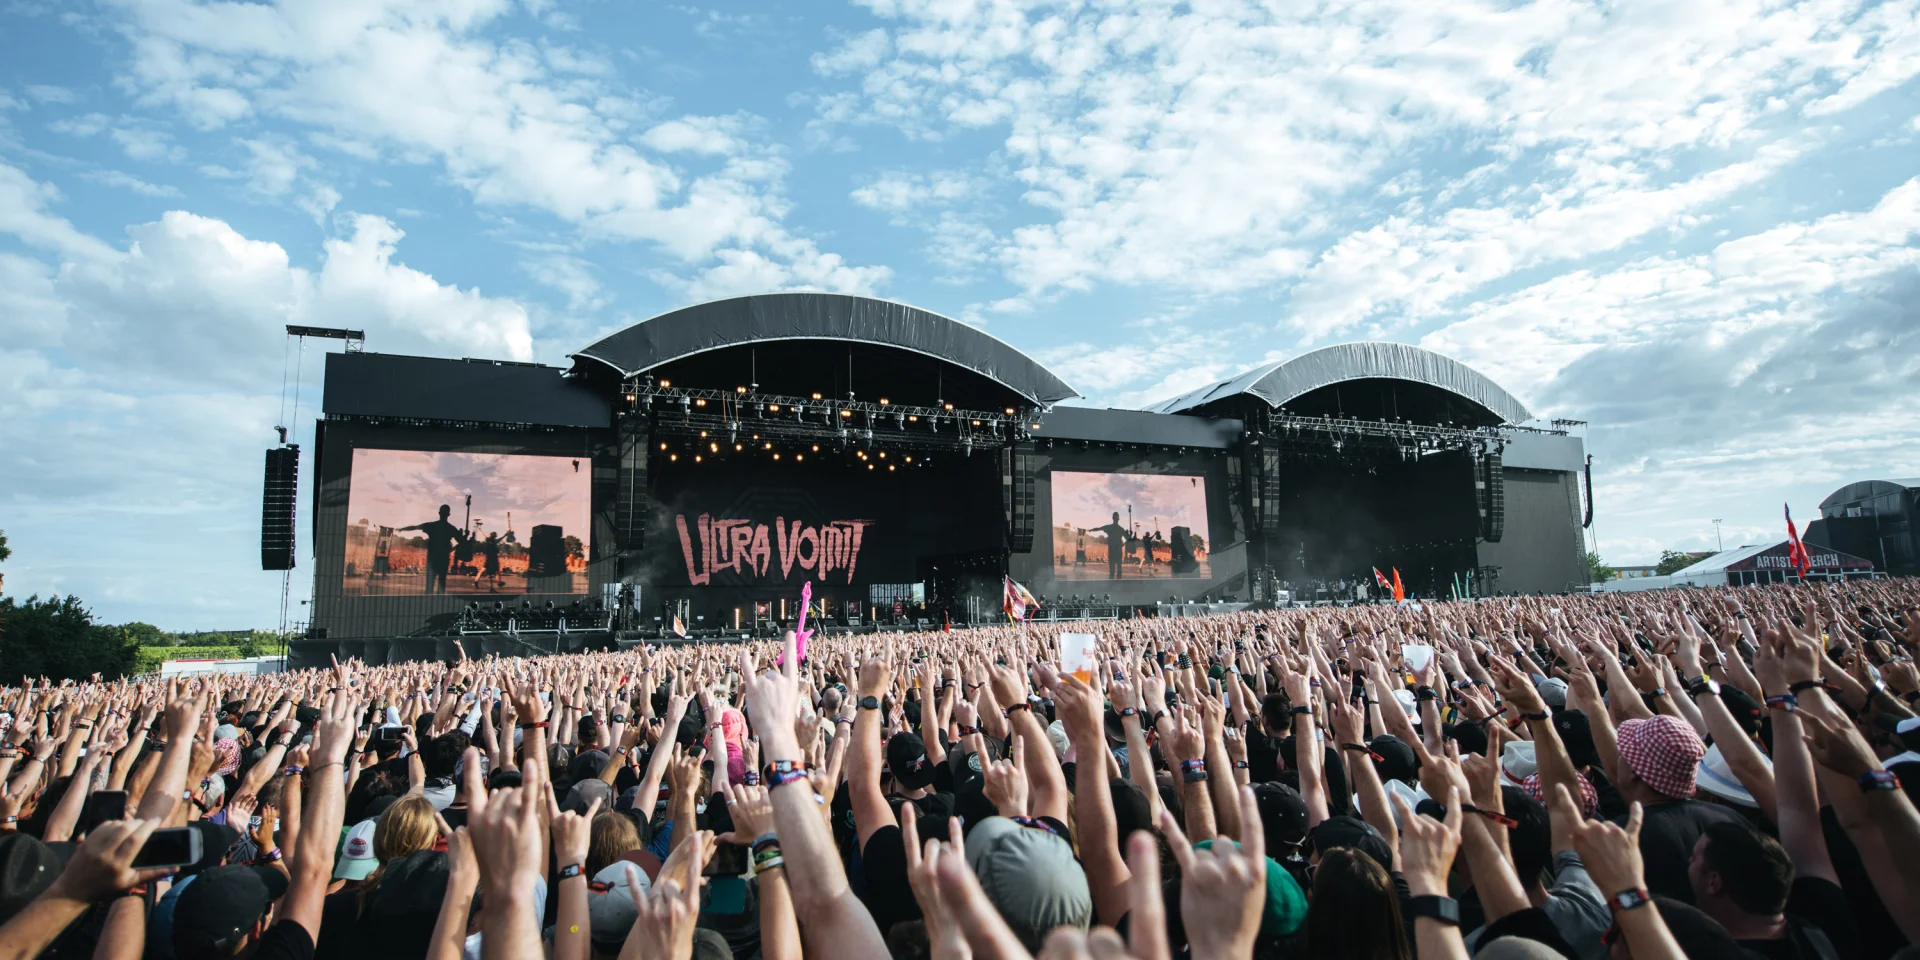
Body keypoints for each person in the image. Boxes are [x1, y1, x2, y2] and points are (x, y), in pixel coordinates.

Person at [398, 505, 468, 595]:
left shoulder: (431, 526)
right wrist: (452, 549)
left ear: (439, 513)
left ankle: (428, 601)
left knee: (429, 586)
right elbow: (462, 542)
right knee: (441, 584)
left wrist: (402, 529)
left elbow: (415, 527)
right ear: (448, 514)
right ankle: (439, 601)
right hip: (443, 559)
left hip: (432, 558)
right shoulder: (451, 528)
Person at [1096, 512, 1128, 579]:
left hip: (1112, 549)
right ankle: (1118, 580)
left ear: (1112, 518)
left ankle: (1112, 580)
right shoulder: (1120, 529)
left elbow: (1098, 528)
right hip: (1118, 549)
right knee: (1119, 567)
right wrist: (1122, 544)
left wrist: (1090, 530)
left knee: (1112, 567)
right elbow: (1128, 539)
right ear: (1118, 519)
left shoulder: (1109, 527)